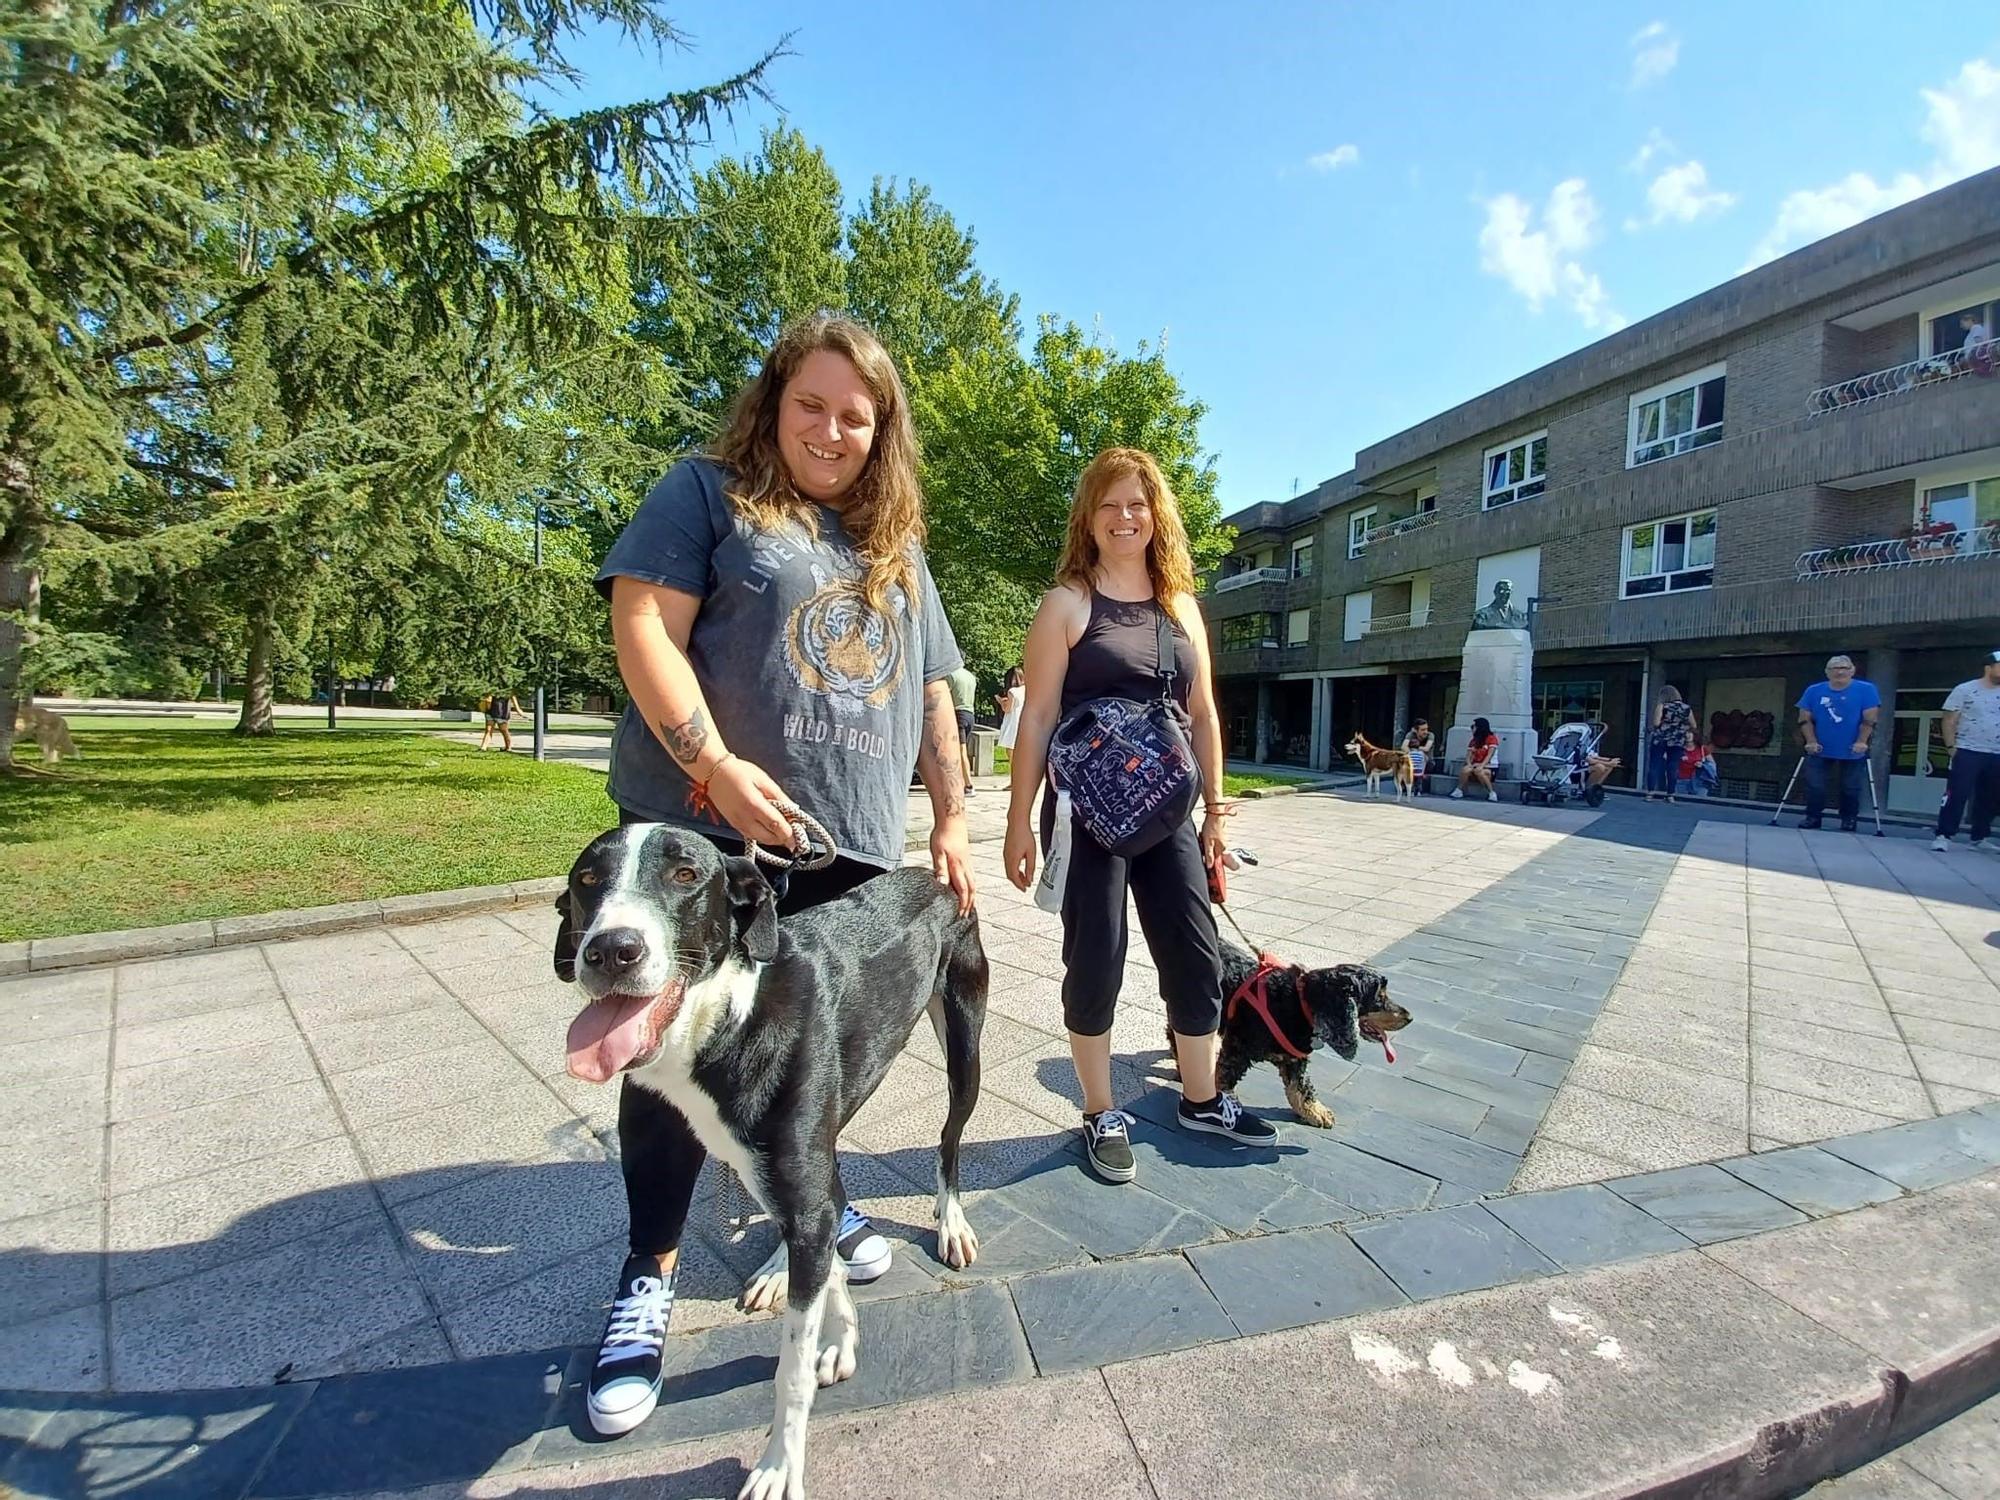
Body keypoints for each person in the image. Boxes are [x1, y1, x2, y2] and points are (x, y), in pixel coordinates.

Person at [585, 315, 974, 1438]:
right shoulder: (708, 492)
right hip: (702, 841)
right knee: (657, 1058)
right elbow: (643, 623)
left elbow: (935, 695)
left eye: (857, 415)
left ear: (881, 431)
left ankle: (817, 1203)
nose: (833, 429)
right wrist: (712, 766)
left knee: (812, 1063)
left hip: (844, 849)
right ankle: (647, 1279)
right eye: (812, 403)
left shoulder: (894, 547)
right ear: (773, 400)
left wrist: (949, 817)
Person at [1003, 447, 1277, 1187]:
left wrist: (1217, 813)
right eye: (1108, 504)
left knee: (1194, 950)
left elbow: (1205, 714)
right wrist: (1019, 821)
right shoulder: (1067, 603)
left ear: (1157, 514)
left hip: (1169, 812)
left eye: (1137, 503)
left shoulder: (1181, 606)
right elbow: (1035, 721)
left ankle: (1200, 1096)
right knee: (1097, 957)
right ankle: (1099, 1110)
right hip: (1091, 812)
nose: (1124, 517)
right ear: (1088, 519)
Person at [1796, 655, 1880, 832]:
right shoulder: (1813, 690)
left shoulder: (1866, 689)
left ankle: (1849, 819)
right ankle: (1813, 817)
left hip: (1852, 747)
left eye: (1844, 667)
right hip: (1820, 747)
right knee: (1815, 785)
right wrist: (1810, 741)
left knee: (1850, 787)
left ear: (1852, 670)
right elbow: (1804, 719)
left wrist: (1861, 741)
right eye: (1834, 668)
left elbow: (1870, 719)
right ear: (1827, 672)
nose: (1840, 671)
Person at [1931, 649, 2000, 853]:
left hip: (1996, 753)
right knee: (1957, 793)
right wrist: (1951, 747)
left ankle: (1980, 836)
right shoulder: (1965, 689)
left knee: (1990, 796)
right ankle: (1944, 835)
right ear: (1989, 667)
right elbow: (1949, 719)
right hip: (1968, 749)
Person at [1647, 685, 1693, 802]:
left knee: (1654, 765)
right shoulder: (1686, 708)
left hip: (1661, 738)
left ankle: (1650, 793)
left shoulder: (1662, 706)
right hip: (1677, 740)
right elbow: (1694, 725)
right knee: (1673, 766)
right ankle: (1670, 794)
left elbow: (1656, 723)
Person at [946, 663, 979, 796]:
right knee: (958, 750)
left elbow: (944, 696)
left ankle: (968, 785)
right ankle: (959, 782)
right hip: (970, 713)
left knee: (961, 751)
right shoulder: (971, 676)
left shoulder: (951, 675)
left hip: (957, 714)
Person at [1451, 717, 1499, 801]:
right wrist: (1469, 764)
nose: (1472, 728)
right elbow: (1468, 756)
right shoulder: (1473, 741)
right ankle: (1459, 790)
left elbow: (1489, 755)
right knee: (1466, 769)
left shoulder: (1491, 739)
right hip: (1475, 765)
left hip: (1489, 766)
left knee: (1480, 771)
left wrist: (1481, 765)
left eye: (1474, 726)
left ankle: (1491, 792)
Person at [1676, 731, 1719, 797]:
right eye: (1685, 733)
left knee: (1699, 803)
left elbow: (1712, 764)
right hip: (1681, 781)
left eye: (1689, 732)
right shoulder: (1678, 749)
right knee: (1680, 802)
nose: (1687, 735)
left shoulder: (1702, 749)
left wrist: (1702, 765)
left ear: (1694, 735)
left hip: (1699, 781)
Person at [996, 665, 1025, 753]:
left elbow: (1008, 709)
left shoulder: (1012, 691)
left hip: (1013, 723)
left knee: (1010, 751)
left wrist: (1000, 701)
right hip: (1023, 720)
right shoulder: (1026, 689)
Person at [1401, 718, 1434, 793]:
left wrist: (1415, 748)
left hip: (1428, 762)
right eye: (1422, 730)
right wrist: (1411, 755)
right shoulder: (1411, 734)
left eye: (1426, 729)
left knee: (1422, 758)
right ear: (1415, 730)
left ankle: (1417, 788)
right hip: (1414, 760)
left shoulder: (1430, 735)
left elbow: (1426, 748)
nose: (1425, 732)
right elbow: (1403, 747)